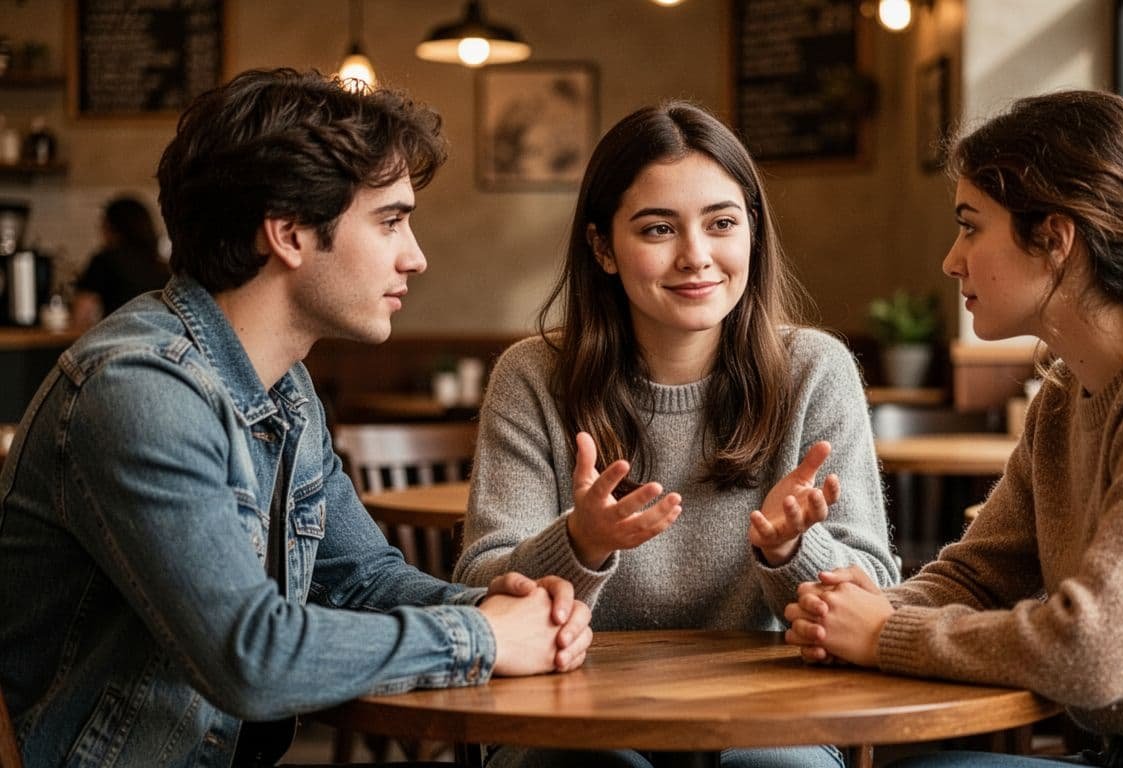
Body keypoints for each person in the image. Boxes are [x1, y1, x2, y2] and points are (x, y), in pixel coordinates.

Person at [0, 68, 593, 768]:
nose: (417, 256)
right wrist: (484, 639)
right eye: (392, 220)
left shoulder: (284, 390)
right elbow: (249, 654)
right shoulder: (138, 388)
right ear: (288, 233)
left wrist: (509, 607)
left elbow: (361, 580)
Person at [783, 89, 1123, 768]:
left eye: (970, 225)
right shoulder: (1067, 392)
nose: (951, 260)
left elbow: (1096, 655)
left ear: (1054, 239)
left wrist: (886, 635)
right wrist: (856, 610)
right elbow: (978, 575)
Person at [454, 100, 897, 768]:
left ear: (751, 231)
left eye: (721, 223)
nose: (697, 257)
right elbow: (480, 586)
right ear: (603, 247)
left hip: (767, 717)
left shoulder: (816, 369)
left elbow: (876, 592)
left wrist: (791, 552)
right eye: (658, 229)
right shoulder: (533, 377)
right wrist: (579, 544)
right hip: (568, 712)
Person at [72, 194, 171, 329]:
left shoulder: (104, 260)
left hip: (118, 341)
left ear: (112, 228)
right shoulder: (161, 264)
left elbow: (81, 316)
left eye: (103, 226)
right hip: (162, 340)